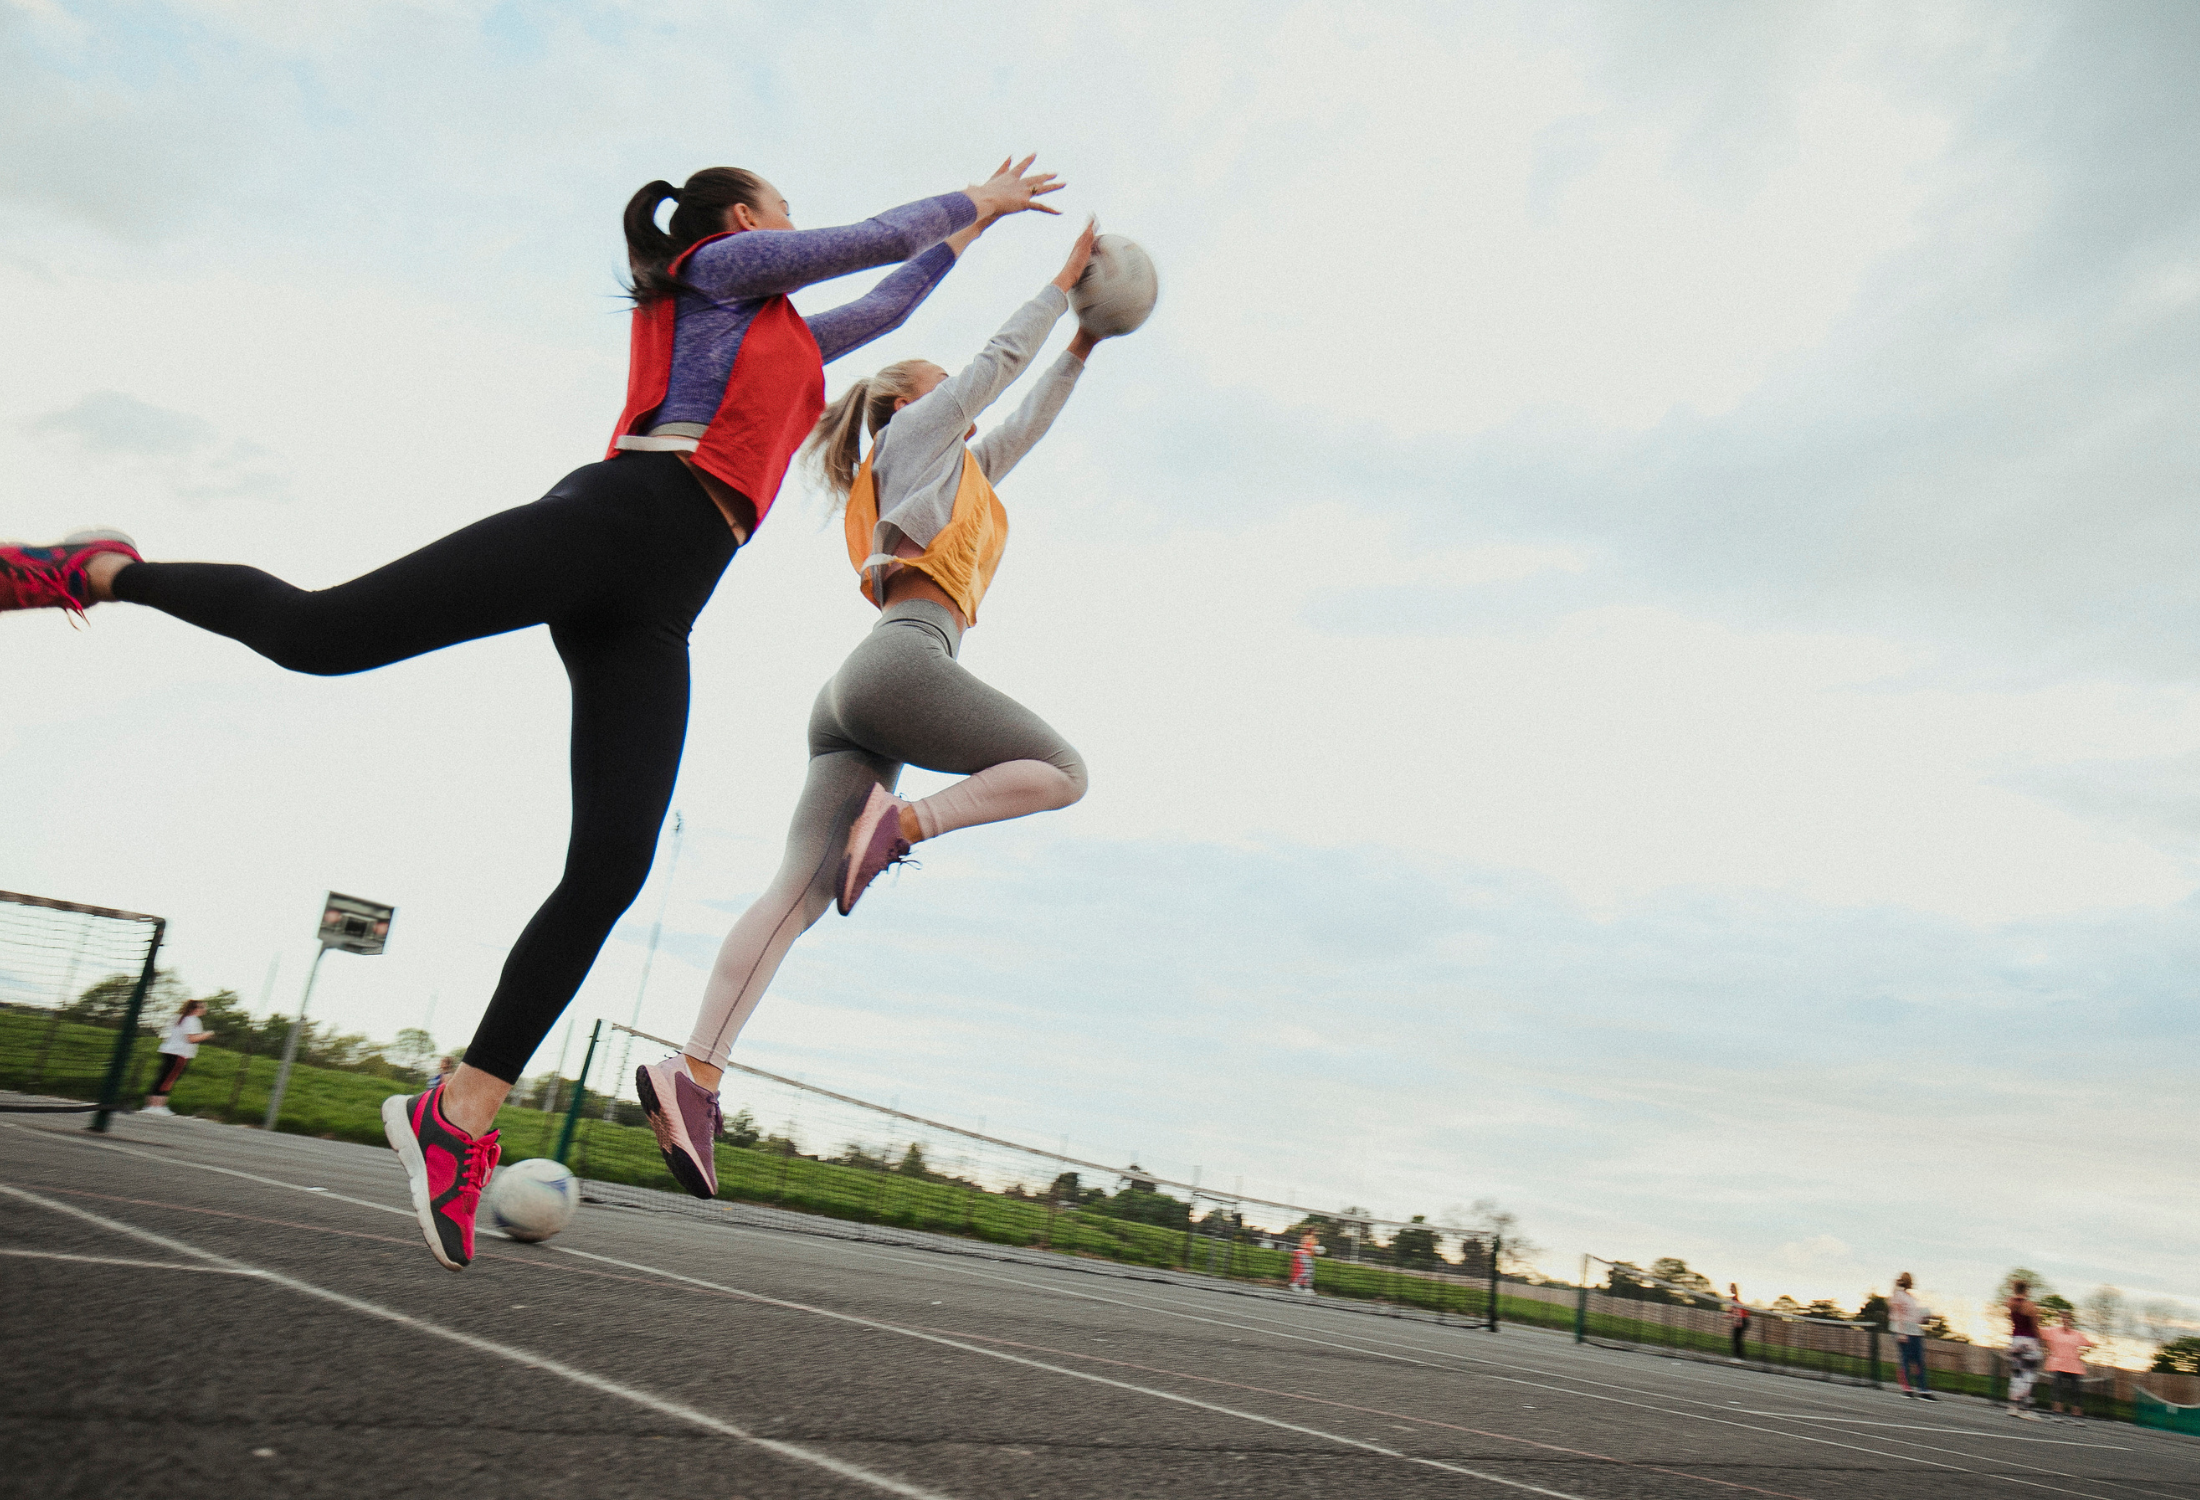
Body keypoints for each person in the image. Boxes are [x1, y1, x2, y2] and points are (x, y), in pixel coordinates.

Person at [2, 157, 1063, 1272]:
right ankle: (101, 570)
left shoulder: (792, 347)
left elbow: (890, 298)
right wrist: (973, 208)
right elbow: (878, 240)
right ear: (746, 220)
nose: (791, 227)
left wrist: (968, 249)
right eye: (783, 211)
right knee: (325, 635)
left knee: (613, 863)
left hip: (661, 601)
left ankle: (455, 1115)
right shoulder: (716, 270)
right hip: (618, 517)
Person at [637, 221, 1113, 1198]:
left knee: (799, 896)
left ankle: (693, 1075)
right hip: (900, 667)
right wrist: (1058, 290)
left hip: (860, 690)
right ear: (909, 400)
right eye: (942, 388)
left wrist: (1081, 346)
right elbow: (992, 369)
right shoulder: (911, 434)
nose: (966, 404)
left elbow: (1022, 419)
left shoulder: (961, 477)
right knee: (1062, 772)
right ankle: (899, 825)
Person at [140, 999, 212, 1116]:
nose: (205, 1009)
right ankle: (157, 1107)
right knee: (168, 1080)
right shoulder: (193, 1020)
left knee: (162, 1078)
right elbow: (191, 1039)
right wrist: (206, 1035)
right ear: (196, 1009)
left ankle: (151, 1106)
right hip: (180, 1053)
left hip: (168, 1051)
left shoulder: (177, 1017)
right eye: (203, 1007)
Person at [2040, 1309, 2097, 1419]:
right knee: (2057, 1388)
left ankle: (2076, 1416)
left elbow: (2090, 1344)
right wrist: (2049, 1349)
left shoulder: (2077, 1334)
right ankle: (2057, 1413)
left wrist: (2081, 1353)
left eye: (2067, 1318)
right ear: (2061, 1319)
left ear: (2071, 1320)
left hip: (2073, 1365)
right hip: (2058, 1364)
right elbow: (2041, 1334)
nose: (2065, 1320)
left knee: (2076, 1390)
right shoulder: (2053, 1331)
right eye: (2063, 1318)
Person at [1889, 1272, 1936, 1399]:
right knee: (1905, 1359)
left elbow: (1914, 1317)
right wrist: (1901, 1333)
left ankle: (1923, 1389)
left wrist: (1925, 1316)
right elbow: (1898, 1314)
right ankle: (1906, 1388)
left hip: (1915, 1331)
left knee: (1919, 1360)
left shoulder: (1910, 1297)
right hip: (1904, 1331)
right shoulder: (1898, 1295)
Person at [2006, 1279, 2046, 1418]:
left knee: (2016, 1374)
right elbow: (2035, 1327)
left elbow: (2013, 1319)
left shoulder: (2010, 1302)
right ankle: (2025, 1409)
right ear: (2026, 1290)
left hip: (2016, 1339)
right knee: (2028, 1375)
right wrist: (2043, 1344)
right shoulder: (2030, 1306)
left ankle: (2013, 1406)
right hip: (2029, 1341)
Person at [1728, 1283, 1751, 1363]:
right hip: (1742, 1319)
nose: (1730, 1289)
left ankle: (1739, 1357)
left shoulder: (1735, 1299)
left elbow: (1738, 1312)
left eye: (1731, 1288)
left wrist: (1739, 1321)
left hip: (1743, 1320)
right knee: (1736, 1338)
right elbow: (1734, 1312)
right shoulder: (1734, 1299)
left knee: (1736, 1338)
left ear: (1734, 1289)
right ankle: (1739, 1356)